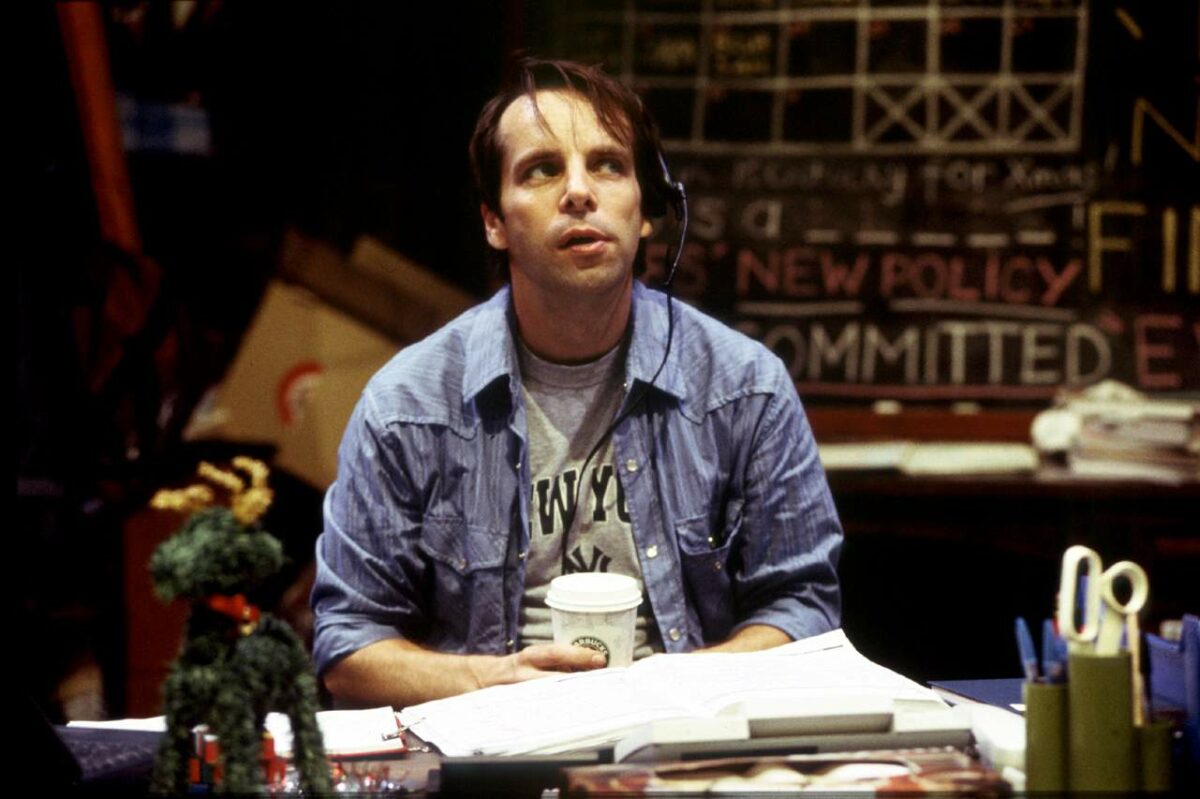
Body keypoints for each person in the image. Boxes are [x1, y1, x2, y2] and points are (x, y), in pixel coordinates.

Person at [311, 58, 842, 708]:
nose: (579, 192)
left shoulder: (744, 386)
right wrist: (491, 679)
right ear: (494, 222)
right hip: (490, 743)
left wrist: (674, 685)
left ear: (646, 211)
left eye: (608, 165)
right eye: (542, 169)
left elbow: (806, 607)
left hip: (684, 740)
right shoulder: (407, 405)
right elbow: (348, 642)